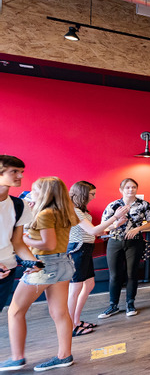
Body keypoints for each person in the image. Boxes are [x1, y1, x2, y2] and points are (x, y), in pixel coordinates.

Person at [2, 177, 79, 371]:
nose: (30, 191)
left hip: (45, 264)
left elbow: (48, 244)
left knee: (15, 311)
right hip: (64, 263)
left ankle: (17, 358)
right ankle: (64, 355)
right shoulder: (64, 211)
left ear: (44, 193)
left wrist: (24, 239)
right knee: (60, 312)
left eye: (34, 190)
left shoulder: (46, 213)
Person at [67, 181, 130, 337]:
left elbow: (95, 233)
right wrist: (115, 217)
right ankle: (70, 327)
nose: (94, 197)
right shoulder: (74, 210)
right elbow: (93, 230)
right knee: (74, 289)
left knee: (89, 284)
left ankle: (76, 320)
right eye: (92, 194)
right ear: (83, 194)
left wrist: (116, 224)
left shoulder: (81, 210)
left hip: (85, 249)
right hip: (77, 250)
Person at [97, 178, 150, 319]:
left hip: (135, 242)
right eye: (127, 187)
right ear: (121, 190)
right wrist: (116, 224)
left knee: (131, 274)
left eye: (133, 187)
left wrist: (138, 229)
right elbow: (103, 226)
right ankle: (113, 305)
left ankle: (130, 304)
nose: (131, 190)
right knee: (115, 275)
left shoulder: (144, 204)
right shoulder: (113, 205)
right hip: (115, 242)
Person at [0, 156, 36, 314]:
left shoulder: (19, 205)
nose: (20, 176)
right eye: (14, 171)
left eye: (21, 172)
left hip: (8, 271)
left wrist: (35, 263)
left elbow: (18, 242)